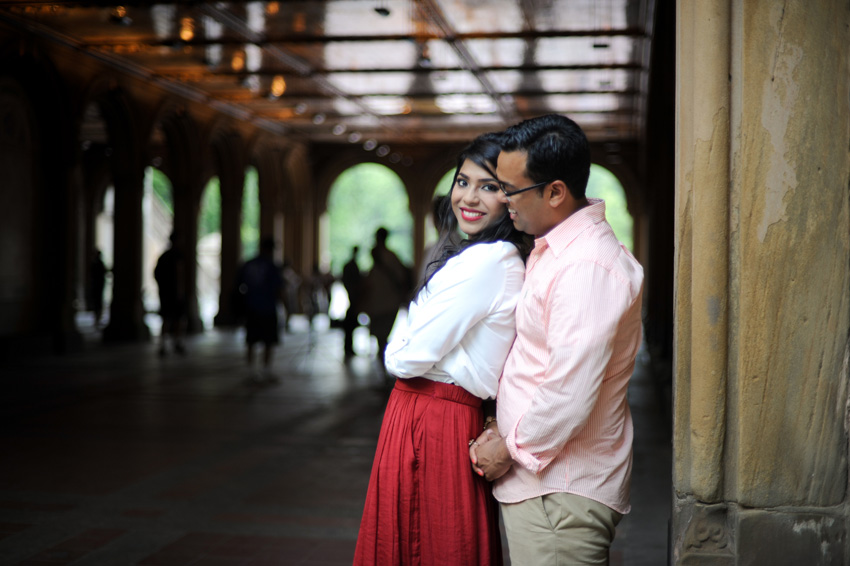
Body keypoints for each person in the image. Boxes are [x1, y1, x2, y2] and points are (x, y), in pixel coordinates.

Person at [468, 114, 645, 565]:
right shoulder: (557, 249)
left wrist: (509, 448)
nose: (502, 200)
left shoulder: (587, 266)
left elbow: (569, 387)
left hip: (558, 493)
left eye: (510, 189)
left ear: (555, 192)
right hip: (544, 489)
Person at [354, 133, 533, 565]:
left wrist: (403, 345)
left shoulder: (485, 261)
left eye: (489, 186)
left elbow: (404, 357)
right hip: (442, 413)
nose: (469, 197)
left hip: (433, 414)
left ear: (510, 196)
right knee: (437, 540)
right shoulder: (486, 256)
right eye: (463, 181)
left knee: (428, 541)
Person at [361, 227, 411, 365]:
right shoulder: (390, 257)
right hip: (388, 303)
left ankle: (383, 368)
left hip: (380, 304)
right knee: (382, 337)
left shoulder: (382, 257)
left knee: (380, 337)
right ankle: (383, 368)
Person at [237, 237, 284, 382]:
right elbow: (278, 288)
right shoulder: (271, 266)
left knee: (251, 340)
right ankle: (266, 371)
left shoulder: (249, 264)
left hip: (252, 307)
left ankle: (250, 371)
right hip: (268, 308)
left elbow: (238, 285)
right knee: (268, 341)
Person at [154, 233, 187, 356]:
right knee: (178, 318)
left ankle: (162, 345)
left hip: (165, 293)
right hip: (174, 293)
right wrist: (180, 291)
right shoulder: (178, 255)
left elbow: (156, 273)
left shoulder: (164, 256)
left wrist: (162, 287)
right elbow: (180, 274)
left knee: (166, 319)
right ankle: (177, 342)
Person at [341, 246, 362, 359]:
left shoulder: (350, 265)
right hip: (353, 297)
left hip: (353, 297)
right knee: (350, 324)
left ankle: (348, 347)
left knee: (350, 325)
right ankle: (348, 347)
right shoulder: (351, 266)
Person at [87, 249, 108, 329]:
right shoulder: (99, 264)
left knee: (97, 302)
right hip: (99, 286)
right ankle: (97, 318)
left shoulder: (95, 264)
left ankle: (97, 318)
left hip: (97, 286)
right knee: (98, 302)